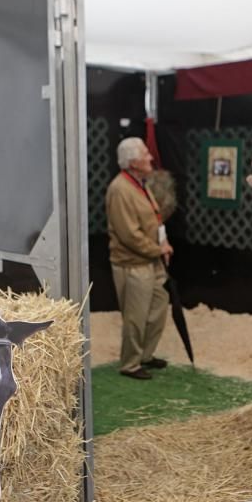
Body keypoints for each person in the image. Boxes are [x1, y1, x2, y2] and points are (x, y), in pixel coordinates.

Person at [106, 137, 174, 380]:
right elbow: (129, 235)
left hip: (150, 261)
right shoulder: (120, 190)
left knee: (157, 306)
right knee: (135, 316)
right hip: (132, 264)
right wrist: (159, 250)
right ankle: (130, 364)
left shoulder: (139, 184)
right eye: (145, 154)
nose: (150, 157)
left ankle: (145, 354)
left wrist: (162, 243)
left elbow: (153, 221)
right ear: (133, 162)